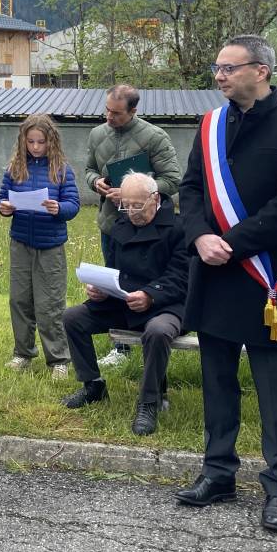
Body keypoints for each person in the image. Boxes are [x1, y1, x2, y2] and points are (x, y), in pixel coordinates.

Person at [176, 35, 277, 533]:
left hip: (266, 280)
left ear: (260, 71)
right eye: (216, 66)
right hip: (213, 273)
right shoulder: (211, 125)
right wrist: (199, 236)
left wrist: (231, 243)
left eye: (228, 67)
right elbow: (191, 187)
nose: (218, 75)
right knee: (217, 381)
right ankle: (218, 473)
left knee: (272, 389)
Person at [61, 172, 188, 435]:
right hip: (124, 303)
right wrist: (102, 288)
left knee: (157, 331)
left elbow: (181, 277)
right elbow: (116, 271)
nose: (131, 211)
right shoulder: (121, 224)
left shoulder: (178, 228)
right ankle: (93, 385)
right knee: (73, 317)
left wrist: (150, 295)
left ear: (155, 199)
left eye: (137, 205)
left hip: (166, 304)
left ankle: (149, 402)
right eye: (125, 205)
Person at [84, 84, 182, 369]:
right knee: (115, 282)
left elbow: (172, 180)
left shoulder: (154, 137)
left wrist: (134, 194)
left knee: (149, 283)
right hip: (113, 224)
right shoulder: (97, 134)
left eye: (116, 113)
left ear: (133, 111)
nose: (109, 117)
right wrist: (95, 183)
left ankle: (155, 335)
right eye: (107, 110)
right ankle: (121, 346)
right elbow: (89, 169)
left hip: (149, 229)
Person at [0, 114, 80, 379]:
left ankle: (58, 360)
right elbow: (2, 198)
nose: (34, 147)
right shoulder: (14, 168)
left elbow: (73, 205)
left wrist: (59, 208)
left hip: (50, 246)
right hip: (21, 242)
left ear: (50, 141)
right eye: (30, 141)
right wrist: (4, 207)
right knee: (19, 300)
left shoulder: (62, 170)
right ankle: (23, 353)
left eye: (40, 142)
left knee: (49, 305)